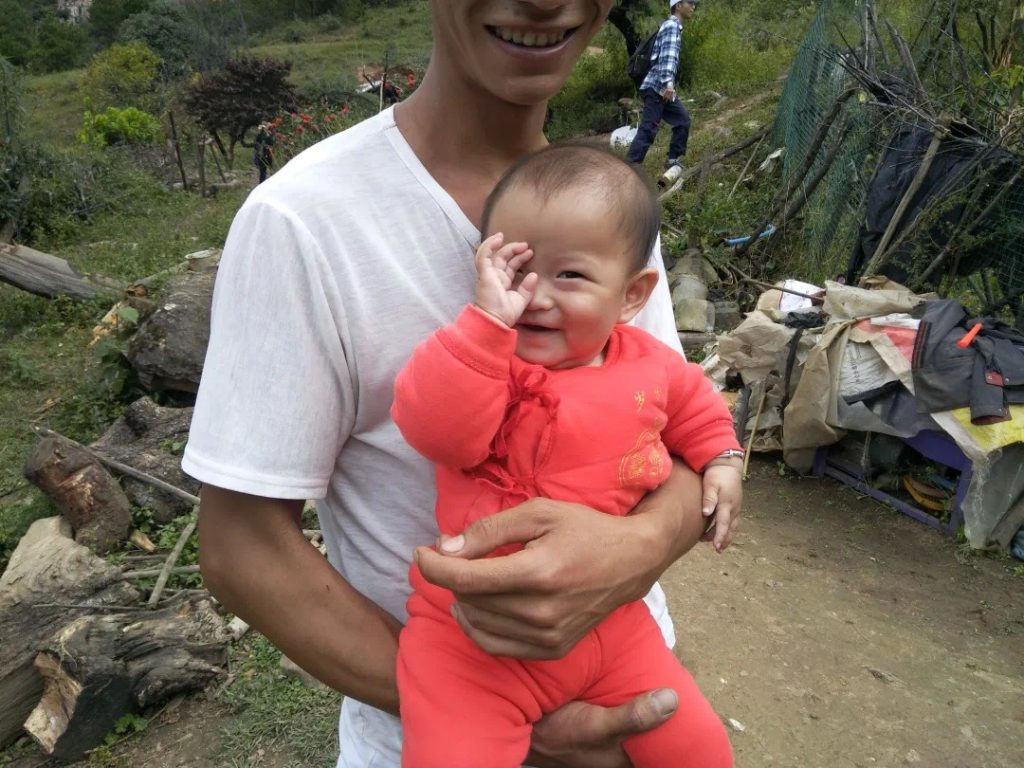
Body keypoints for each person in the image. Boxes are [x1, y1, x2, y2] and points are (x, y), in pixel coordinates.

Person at [184, 2, 741, 766]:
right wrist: (497, 708)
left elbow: (673, 423)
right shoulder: (302, 220)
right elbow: (240, 547)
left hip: (630, 673)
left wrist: (639, 545)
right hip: (446, 713)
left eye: (572, 279)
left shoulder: (605, 210)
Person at [392, 144, 741, 768]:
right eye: (517, 271)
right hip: (472, 640)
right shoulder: (480, 362)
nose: (537, 296)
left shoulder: (652, 364)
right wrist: (483, 326)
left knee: (699, 748)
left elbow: (697, 412)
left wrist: (724, 459)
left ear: (632, 295)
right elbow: (436, 431)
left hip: (611, 626)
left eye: (570, 276)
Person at [626, 0, 698, 169]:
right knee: (648, 129)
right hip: (658, 87)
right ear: (678, 6)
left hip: (662, 88)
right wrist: (669, 85)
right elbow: (667, 58)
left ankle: (672, 160)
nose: (693, 7)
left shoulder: (672, 26)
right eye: (690, 3)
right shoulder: (672, 27)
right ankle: (630, 168)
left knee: (682, 120)